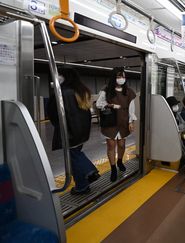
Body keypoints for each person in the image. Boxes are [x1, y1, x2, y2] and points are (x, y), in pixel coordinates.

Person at [48, 67, 100, 195]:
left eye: (59, 75)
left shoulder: (62, 93)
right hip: (81, 132)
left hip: (69, 132)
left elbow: (53, 114)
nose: (57, 77)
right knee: (74, 157)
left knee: (74, 156)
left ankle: (90, 171)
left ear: (65, 77)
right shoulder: (81, 91)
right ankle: (82, 186)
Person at [96, 67, 137, 182]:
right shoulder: (106, 89)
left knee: (122, 144)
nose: (121, 79)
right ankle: (113, 168)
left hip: (123, 120)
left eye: (123, 76)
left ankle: (119, 161)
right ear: (114, 77)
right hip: (110, 121)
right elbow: (99, 104)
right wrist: (111, 105)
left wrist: (131, 121)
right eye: (119, 76)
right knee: (111, 145)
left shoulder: (129, 92)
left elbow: (131, 109)